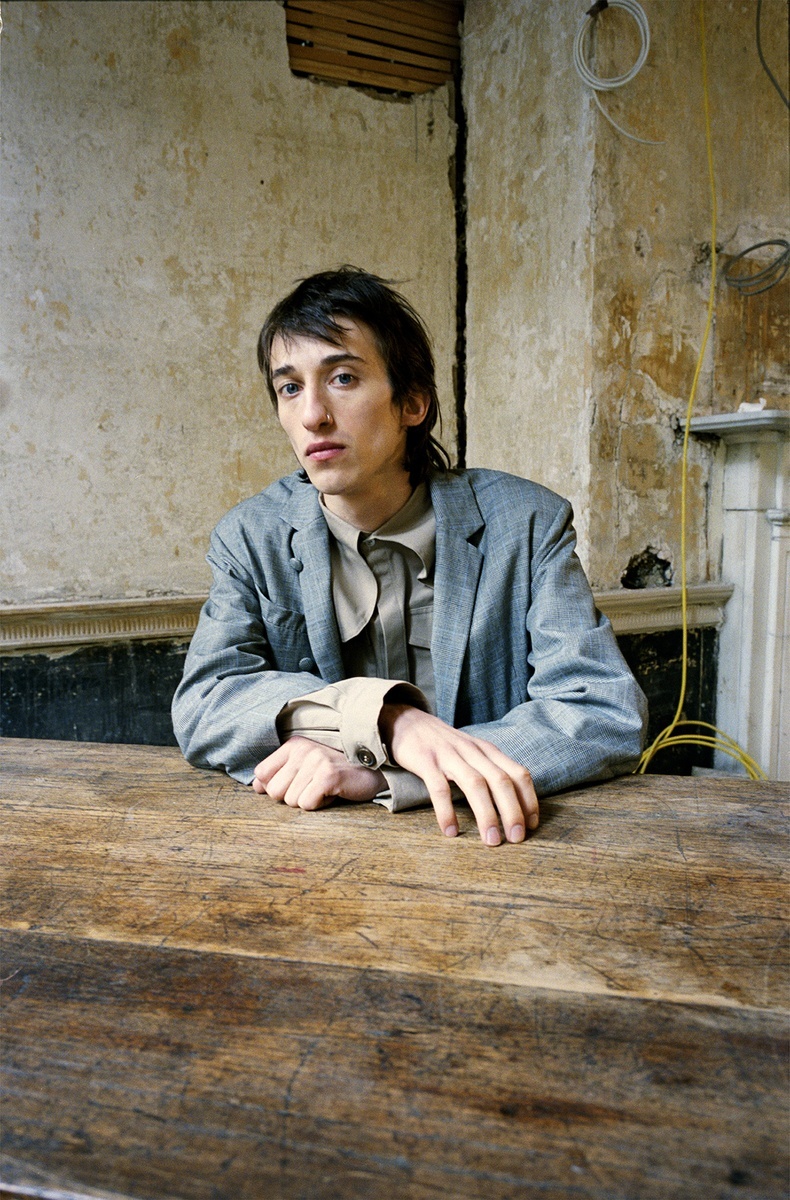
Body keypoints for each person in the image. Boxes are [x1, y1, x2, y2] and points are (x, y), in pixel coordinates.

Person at [172, 266, 646, 846]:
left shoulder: (525, 523)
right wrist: (390, 720)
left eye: (342, 378)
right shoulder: (251, 535)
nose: (311, 414)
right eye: (290, 387)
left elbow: (602, 710)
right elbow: (204, 703)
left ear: (412, 404)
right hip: (310, 853)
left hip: (493, 843)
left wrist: (385, 773)